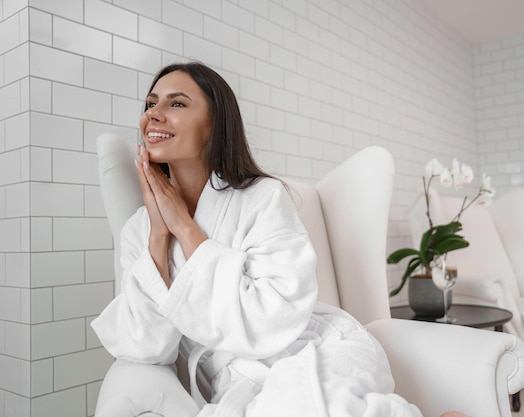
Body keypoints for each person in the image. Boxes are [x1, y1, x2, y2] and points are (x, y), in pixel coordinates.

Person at [91, 61, 467, 417]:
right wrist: (159, 234)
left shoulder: (262, 197)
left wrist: (186, 230)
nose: (153, 114)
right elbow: (145, 346)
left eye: (176, 103)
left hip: (308, 351)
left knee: (308, 404)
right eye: (150, 103)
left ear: (214, 124)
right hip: (235, 380)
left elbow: (274, 315)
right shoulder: (140, 230)